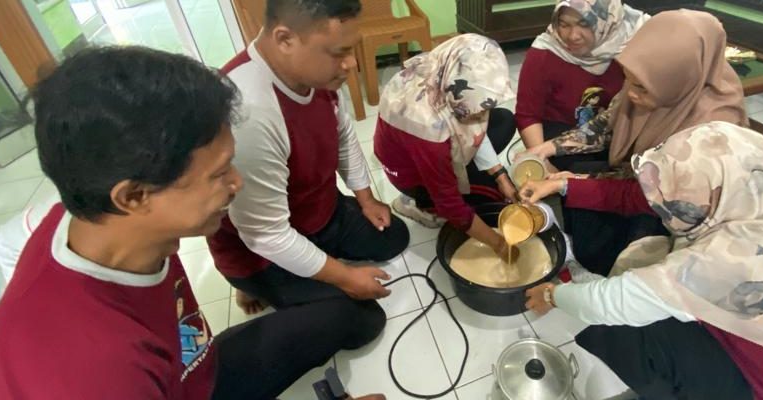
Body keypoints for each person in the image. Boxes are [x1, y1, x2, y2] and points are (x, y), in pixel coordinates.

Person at [0, 47, 383, 400]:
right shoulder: (94, 371)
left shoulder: (96, 218)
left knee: (355, 316)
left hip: (191, 374)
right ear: (134, 196)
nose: (237, 183)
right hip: (162, 383)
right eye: (219, 173)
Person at [525, 121, 763, 399]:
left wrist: (553, 295)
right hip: (753, 352)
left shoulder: (726, 259)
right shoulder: (759, 197)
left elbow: (610, 302)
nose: (667, 205)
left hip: (760, 388)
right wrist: (566, 185)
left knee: (628, 329)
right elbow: (639, 198)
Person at [208, 0, 409, 319]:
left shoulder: (319, 75)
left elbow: (343, 134)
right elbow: (267, 235)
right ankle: (250, 284)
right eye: (339, 52)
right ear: (285, 39)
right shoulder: (248, 112)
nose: (351, 64)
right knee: (362, 318)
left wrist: (366, 199)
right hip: (259, 251)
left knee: (394, 237)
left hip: (317, 211)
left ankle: (315, 258)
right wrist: (345, 278)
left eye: (351, 49)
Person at [520, 9, 749, 275]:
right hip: (641, 177)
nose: (630, 93)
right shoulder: (653, 84)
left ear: (680, 79)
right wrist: (548, 148)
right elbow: (607, 123)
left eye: (641, 87)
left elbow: (645, 197)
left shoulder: (710, 135)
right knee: (577, 179)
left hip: (673, 209)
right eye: (628, 79)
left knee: (622, 248)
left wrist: (567, 184)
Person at [374, 34, 519, 258]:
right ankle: (420, 204)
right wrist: (500, 245)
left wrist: (501, 176)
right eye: (476, 110)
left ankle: (457, 183)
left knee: (503, 120)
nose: (481, 115)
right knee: (485, 199)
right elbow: (451, 206)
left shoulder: (442, 70)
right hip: (410, 174)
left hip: (426, 150)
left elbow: (475, 126)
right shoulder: (426, 127)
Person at [516, 0, 648, 172]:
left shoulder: (633, 44)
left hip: (618, 127)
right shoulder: (546, 52)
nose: (573, 36)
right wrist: (542, 161)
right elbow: (528, 114)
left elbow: (621, 116)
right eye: (564, 25)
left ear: (607, 21)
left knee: (633, 166)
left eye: (585, 24)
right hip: (563, 130)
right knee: (579, 168)